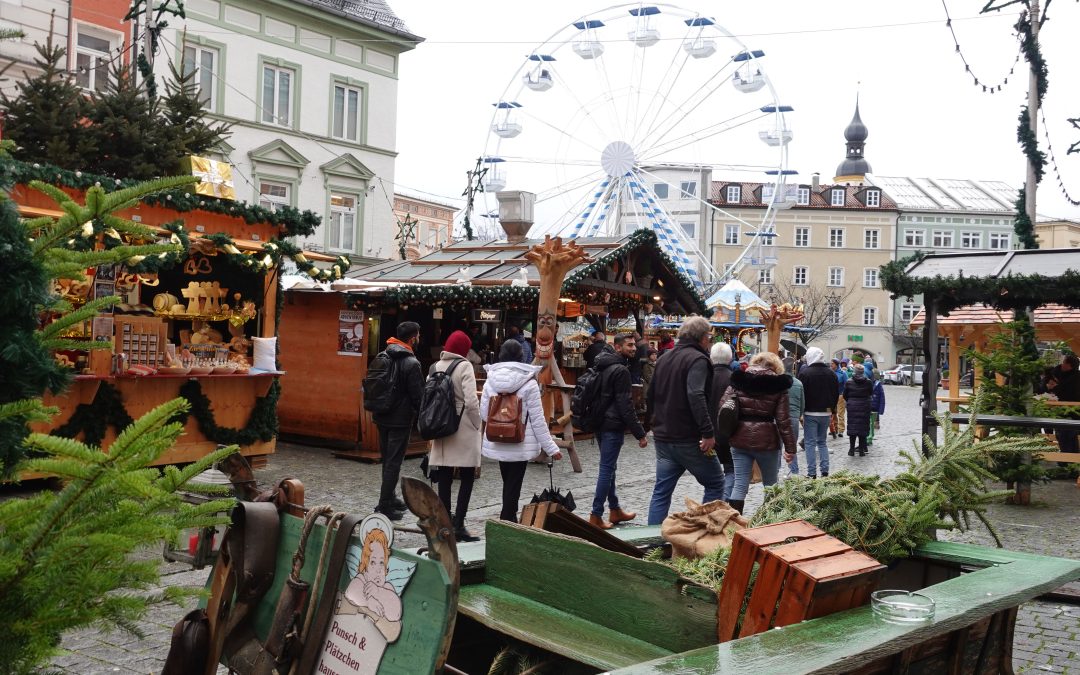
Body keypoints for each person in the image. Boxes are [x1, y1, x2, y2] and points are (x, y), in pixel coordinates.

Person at [646, 316, 724, 525]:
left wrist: (652, 424)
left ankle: (651, 541)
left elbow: (650, 394)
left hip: (663, 435)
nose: (710, 341)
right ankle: (706, 532)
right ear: (702, 337)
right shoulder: (697, 359)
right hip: (688, 436)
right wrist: (707, 432)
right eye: (710, 336)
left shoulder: (664, 358)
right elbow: (695, 395)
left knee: (661, 491)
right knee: (716, 482)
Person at [480, 339, 562, 521]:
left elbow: (484, 415)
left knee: (508, 483)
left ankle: (508, 518)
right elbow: (538, 420)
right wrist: (551, 448)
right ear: (521, 357)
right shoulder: (529, 383)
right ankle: (507, 521)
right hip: (520, 440)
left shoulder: (490, 381)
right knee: (513, 485)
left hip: (498, 438)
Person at [720, 352, 796, 515]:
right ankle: (769, 522)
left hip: (739, 438)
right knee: (770, 484)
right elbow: (784, 421)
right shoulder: (779, 385)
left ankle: (734, 525)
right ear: (776, 366)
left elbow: (723, 407)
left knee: (740, 484)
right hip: (766, 441)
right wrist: (791, 449)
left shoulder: (738, 380)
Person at [427, 330, 483, 542]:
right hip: (463, 427)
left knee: (444, 477)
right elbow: (471, 400)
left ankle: (444, 525)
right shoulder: (464, 366)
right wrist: (477, 424)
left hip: (441, 426)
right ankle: (459, 524)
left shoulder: (434, 367)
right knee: (467, 476)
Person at [589, 334, 648, 529]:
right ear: (617, 347)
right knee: (606, 469)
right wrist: (640, 433)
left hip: (599, 422)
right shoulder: (621, 370)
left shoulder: (601, 364)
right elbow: (625, 405)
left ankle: (614, 509)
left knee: (609, 467)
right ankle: (596, 514)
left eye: (634, 345)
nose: (633, 348)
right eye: (629, 345)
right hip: (612, 425)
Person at [372, 321, 425, 521]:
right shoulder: (411, 363)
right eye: (418, 336)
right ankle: (384, 504)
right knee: (394, 462)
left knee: (388, 460)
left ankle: (391, 497)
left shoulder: (383, 355)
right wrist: (423, 419)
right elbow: (418, 395)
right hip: (399, 420)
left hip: (381, 416)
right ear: (412, 338)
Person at [799, 347, 838, 479]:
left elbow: (802, 394)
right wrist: (832, 411)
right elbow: (835, 394)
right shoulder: (831, 373)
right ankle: (825, 471)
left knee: (810, 443)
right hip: (826, 412)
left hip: (810, 412)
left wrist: (801, 410)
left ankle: (812, 472)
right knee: (822, 442)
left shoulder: (805, 373)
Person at [709, 342, 736, 501]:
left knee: (711, 473)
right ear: (730, 358)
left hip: (706, 432)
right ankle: (723, 501)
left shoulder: (704, 376)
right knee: (731, 470)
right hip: (728, 432)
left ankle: (714, 500)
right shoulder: (734, 379)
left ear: (711, 358)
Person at [1046, 354, 1080, 456]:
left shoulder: (1074, 378)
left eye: (1064, 362)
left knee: (1066, 437)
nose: (1061, 364)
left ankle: (1067, 463)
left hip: (1070, 412)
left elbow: (1067, 392)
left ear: (1069, 365)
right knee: (1067, 437)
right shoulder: (1060, 374)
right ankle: (1070, 463)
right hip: (1067, 412)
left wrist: (1054, 388)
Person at [843, 366, 873, 456]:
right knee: (862, 428)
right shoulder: (868, 382)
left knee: (852, 427)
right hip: (864, 405)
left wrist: (851, 400)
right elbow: (871, 392)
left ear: (855, 371)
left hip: (852, 406)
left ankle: (851, 449)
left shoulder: (849, 381)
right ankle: (861, 450)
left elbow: (845, 395)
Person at [785, 375, 805, 476]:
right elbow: (802, 404)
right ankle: (794, 471)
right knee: (792, 445)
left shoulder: (778, 381)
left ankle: (775, 471)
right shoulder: (798, 383)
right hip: (794, 416)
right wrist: (798, 415)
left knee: (777, 447)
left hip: (780, 416)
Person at [831, 358, 848, 438]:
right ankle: (835, 428)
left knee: (840, 413)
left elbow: (847, 384)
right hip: (831, 395)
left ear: (836, 364)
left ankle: (841, 430)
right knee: (833, 413)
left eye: (832, 364)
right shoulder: (830, 372)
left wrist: (845, 394)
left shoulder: (843, 373)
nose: (831, 365)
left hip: (840, 395)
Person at [868, 373, 886, 446]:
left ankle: (870, 437)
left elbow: (882, 397)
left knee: (871, 423)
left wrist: (881, 410)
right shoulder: (867, 384)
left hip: (875, 407)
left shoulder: (878, 384)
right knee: (869, 423)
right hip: (868, 406)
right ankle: (869, 437)